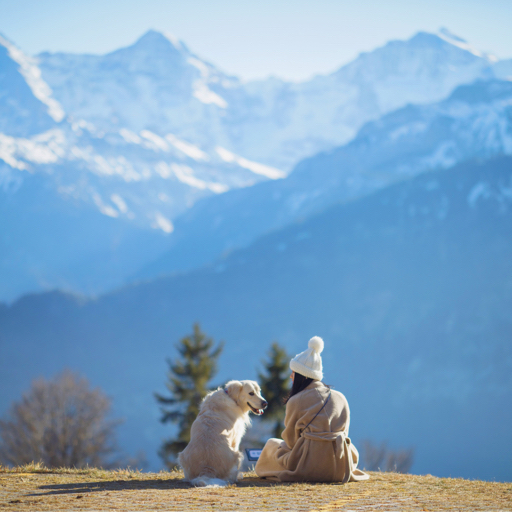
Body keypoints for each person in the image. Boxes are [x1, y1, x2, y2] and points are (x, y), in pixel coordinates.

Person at [255, 336, 369, 483]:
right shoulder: (340, 397)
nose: (290, 376)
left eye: (294, 373)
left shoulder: (296, 400)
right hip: (339, 465)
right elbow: (344, 433)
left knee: (272, 444)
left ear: (302, 376)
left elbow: (291, 440)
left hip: (308, 467)